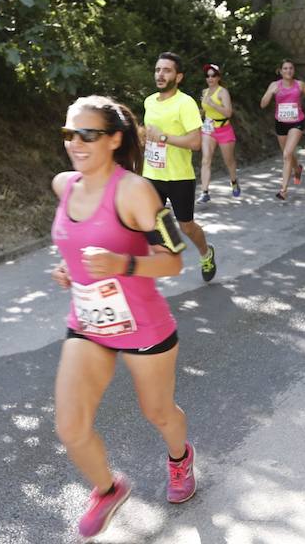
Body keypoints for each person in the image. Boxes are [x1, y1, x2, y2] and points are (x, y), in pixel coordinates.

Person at [51, 95, 197, 539]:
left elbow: (174, 260)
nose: (76, 142)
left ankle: (180, 458)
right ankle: (108, 489)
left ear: (114, 139)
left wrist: (123, 264)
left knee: (158, 412)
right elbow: (74, 243)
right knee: (70, 427)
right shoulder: (64, 185)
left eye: (88, 134)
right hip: (89, 323)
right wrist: (68, 271)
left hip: (143, 326)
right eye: (69, 133)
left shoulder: (136, 191)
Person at [144, 52, 217, 281]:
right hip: (152, 173)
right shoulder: (148, 101)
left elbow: (195, 142)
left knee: (187, 227)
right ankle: (168, 256)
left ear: (178, 76)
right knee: (147, 220)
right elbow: (148, 135)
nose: (160, 74)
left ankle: (206, 253)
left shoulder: (185, 103)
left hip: (179, 177)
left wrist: (163, 137)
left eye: (166, 70)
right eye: (158, 70)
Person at [260, 59, 305, 200]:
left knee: (287, 154)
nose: (288, 71)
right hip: (280, 123)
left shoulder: (299, 85)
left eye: (291, 68)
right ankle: (297, 168)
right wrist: (270, 94)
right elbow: (263, 104)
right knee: (288, 155)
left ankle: (283, 190)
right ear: (281, 71)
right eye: (285, 68)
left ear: (293, 71)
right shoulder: (274, 85)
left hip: (296, 123)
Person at [197, 63, 240, 203]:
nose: (210, 78)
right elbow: (205, 111)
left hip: (223, 129)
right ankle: (204, 192)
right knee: (205, 160)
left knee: (229, 161)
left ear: (218, 77)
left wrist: (213, 104)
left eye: (213, 75)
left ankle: (234, 181)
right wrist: (199, 113)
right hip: (208, 129)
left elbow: (228, 113)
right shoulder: (204, 92)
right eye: (207, 76)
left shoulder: (222, 92)